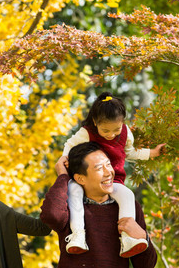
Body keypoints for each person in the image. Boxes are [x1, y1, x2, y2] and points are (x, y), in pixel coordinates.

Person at [56, 91, 165, 257]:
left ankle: (128, 237)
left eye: (116, 129)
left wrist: (152, 153)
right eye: (105, 130)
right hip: (85, 180)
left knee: (127, 195)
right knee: (74, 191)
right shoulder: (87, 132)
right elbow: (70, 144)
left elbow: (129, 152)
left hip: (112, 181)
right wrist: (65, 158)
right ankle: (78, 235)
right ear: (95, 122)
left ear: (123, 123)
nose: (111, 135)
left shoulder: (126, 133)